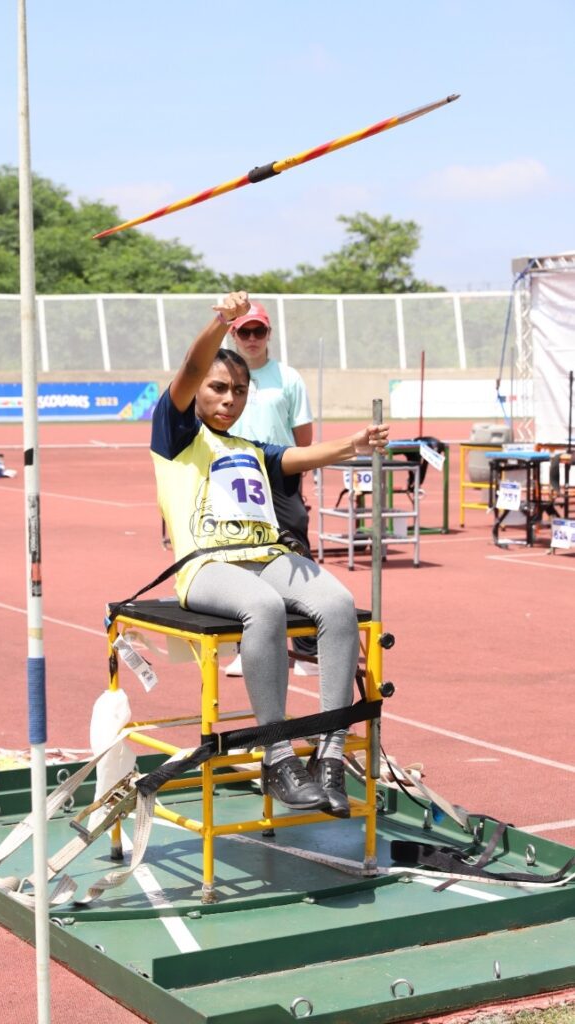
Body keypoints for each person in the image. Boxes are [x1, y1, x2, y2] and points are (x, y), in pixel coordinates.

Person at [150, 291, 389, 816]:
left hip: (267, 556)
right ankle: (277, 753)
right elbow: (192, 365)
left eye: (238, 391)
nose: (228, 399)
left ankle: (328, 748)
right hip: (207, 567)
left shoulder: (251, 448)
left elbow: (302, 455)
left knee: (338, 604)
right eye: (218, 389)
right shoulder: (177, 435)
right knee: (264, 606)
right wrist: (223, 321)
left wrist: (356, 443)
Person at [226, 300, 317, 677]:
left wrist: (296, 476)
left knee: (295, 550)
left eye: (257, 331)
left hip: (280, 472)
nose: (251, 338)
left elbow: (303, 436)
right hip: (233, 470)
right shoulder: (224, 373)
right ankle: (246, 648)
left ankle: (308, 649)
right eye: (243, 331)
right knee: (236, 554)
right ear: (233, 333)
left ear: (268, 334)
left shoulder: (288, 377)